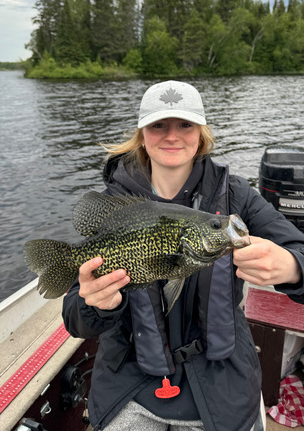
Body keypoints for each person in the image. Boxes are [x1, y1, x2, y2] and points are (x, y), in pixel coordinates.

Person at [62, 80, 304, 431]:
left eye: (185, 124)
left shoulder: (236, 196)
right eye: (159, 125)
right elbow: (74, 320)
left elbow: (299, 250)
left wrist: (293, 268)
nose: (172, 136)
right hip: (129, 383)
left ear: (201, 132)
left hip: (222, 382)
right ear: (142, 133)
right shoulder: (115, 207)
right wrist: (95, 302)